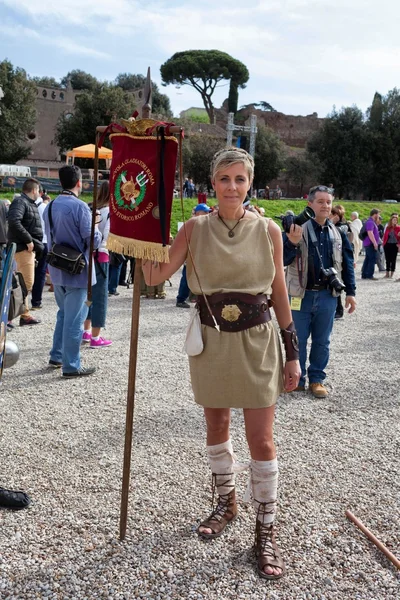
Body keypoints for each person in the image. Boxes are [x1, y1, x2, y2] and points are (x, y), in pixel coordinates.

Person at [143, 147, 301, 580]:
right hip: (212, 340)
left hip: (258, 341)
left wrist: (293, 354)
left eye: (240, 179)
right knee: (215, 429)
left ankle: (265, 528)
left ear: (251, 183)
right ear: (211, 183)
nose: (232, 187)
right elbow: (155, 278)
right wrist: (139, 236)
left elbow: (282, 294)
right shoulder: (193, 229)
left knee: (262, 442)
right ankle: (227, 502)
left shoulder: (269, 230)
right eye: (224, 179)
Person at [283, 185, 356, 398]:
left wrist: (350, 292)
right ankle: (297, 379)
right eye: (321, 201)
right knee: (298, 339)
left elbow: (348, 264)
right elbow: (281, 261)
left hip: (327, 295)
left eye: (328, 202)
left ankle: (317, 379)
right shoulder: (296, 228)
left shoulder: (339, 232)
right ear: (310, 204)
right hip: (300, 294)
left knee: (322, 341)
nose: (325, 205)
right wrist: (291, 243)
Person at [43, 165, 101, 377]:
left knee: (64, 314)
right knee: (75, 319)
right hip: (78, 270)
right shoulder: (79, 207)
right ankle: (71, 365)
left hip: (57, 268)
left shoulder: (50, 206)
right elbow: (91, 239)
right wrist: (97, 229)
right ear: (79, 183)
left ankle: (57, 355)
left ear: (60, 182)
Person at [7, 178, 44, 326]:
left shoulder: (26, 203)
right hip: (23, 248)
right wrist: (29, 240)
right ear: (34, 190)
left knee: (24, 283)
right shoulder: (21, 202)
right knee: (25, 284)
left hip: (27, 248)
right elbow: (14, 221)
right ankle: (9, 315)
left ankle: (25, 314)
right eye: (38, 191)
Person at [83, 181, 112, 348]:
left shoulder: (91, 209)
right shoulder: (109, 212)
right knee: (100, 298)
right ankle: (96, 336)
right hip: (101, 256)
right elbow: (107, 237)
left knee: (88, 296)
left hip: (89, 256)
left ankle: (86, 331)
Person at [176, 203, 212, 308]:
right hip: (191, 255)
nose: (207, 213)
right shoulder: (191, 224)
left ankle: (200, 299)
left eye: (207, 211)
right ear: (198, 212)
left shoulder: (205, 223)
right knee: (186, 279)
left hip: (201, 256)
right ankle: (180, 299)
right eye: (205, 211)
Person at [330, 205, 353, 319]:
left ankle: (339, 309)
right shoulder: (343, 225)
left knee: (337, 285)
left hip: (338, 260)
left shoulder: (340, 227)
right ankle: (338, 309)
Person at [31, 193, 51, 310]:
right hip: (43, 241)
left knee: (29, 272)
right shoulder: (44, 207)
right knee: (40, 272)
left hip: (31, 242)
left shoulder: (28, 205)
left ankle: (24, 300)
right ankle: (36, 301)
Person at [361, 209, 381, 280]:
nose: (379, 216)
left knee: (367, 259)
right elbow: (370, 233)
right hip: (370, 243)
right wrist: (375, 243)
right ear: (375, 214)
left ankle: (364, 274)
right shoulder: (370, 222)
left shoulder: (371, 222)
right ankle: (369, 275)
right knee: (372, 259)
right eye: (378, 214)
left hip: (368, 243)